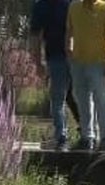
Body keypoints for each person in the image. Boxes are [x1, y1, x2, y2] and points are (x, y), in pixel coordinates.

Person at [67, 0, 105, 152]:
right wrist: (68, 47)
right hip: (78, 61)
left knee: (101, 99)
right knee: (82, 99)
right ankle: (87, 137)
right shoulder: (74, 7)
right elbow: (69, 30)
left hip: (98, 61)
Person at [30, 0, 80, 151]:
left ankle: (61, 138)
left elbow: (35, 37)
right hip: (78, 56)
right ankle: (88, 134)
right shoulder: (73, 4)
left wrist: (38, 63)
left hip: (57, 56)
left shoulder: (41, 6)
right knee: (77, 96)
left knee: (58, 99)